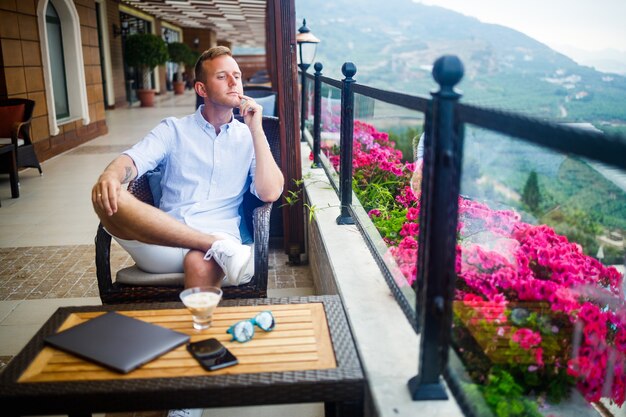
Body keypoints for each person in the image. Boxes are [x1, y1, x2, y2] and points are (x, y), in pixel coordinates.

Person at [92, 46, 284, 291]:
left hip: (221, 236)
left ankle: (210, 259)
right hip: (162, 241)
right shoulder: (174, 130)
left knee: (199, 261)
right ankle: (211, 244)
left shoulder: (248, 137)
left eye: (237, 76)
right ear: (201, 89)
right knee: (103, 195)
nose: (233, 82)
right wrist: (110, 175)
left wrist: (256, 129)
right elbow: (133, 159)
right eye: (222, 76)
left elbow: (270, 193)